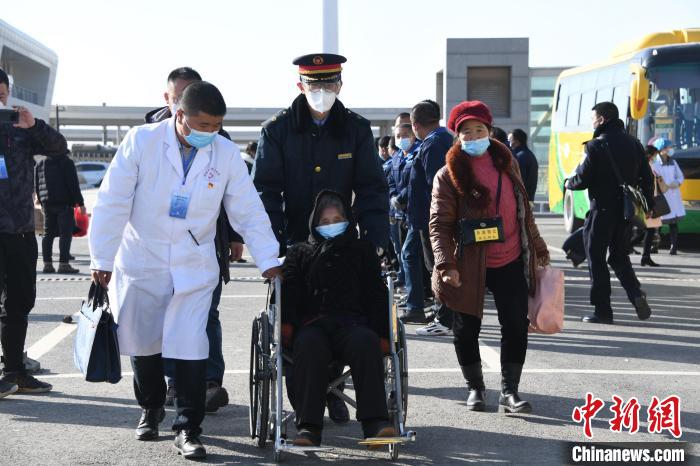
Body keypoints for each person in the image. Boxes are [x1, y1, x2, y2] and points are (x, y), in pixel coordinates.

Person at [90, 81, 281, 459]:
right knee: (145, 344)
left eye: (217, 126)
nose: (211, 133)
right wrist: (102, 257)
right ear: (180, 116)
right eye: (203, 125)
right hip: (143, 258)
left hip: (194, 262)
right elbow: (112, 199)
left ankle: (188, 428)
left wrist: (268, 259)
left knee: (192, 346)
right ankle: (150, 408)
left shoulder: (225, 153)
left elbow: (247, 208)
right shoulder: (141, 141)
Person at [253, 53, 389, 423]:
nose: (322, 91)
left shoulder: (356, 129)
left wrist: (376, 241)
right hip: (295, 246)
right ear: (300, 86)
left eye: (329, 84)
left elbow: (372, 189)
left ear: (340, 85)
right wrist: (271, 248)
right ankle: (306, 400)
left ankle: (331, 390)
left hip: (343, 242)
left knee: (345, 312)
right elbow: (265, 192)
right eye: (315, 85)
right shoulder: (277, 130)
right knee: (296, 321)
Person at [430, 100, 550, 413]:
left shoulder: (507, 163)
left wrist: (538, 248)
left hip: (510, 257)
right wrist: (446, 264)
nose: (473, 136)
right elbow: (439, 225)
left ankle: (510, 392)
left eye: (479, 130)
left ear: (489, 130)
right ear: (457, 136)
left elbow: (524, 213)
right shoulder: (447, 175)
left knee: (516, 324)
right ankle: (475, 388)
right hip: (467, 262)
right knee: (466, 328)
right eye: (466, 132)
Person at [144, 66, 240, 412]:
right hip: (157, 249)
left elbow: (236, 198)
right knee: (164, 315)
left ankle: (208, 382)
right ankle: (171, 384)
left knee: (205, 314)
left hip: (205, 244)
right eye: (177, 96)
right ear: (170, 100)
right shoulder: (146, 138)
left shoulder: (216, 137)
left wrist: (235, 237)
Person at [282, 190, 395, 446]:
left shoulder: (362, 249)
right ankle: (308, 427)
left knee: (367, 342)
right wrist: (286, 324)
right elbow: (288, 291)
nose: (331, 225)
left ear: (347, 220)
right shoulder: (300, 252)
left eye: (337, 220)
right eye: (325, 221)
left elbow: (376, 294)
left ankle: (376, 423)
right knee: (308, 345)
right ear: (314, 223)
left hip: (352, 323)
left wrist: (383, 333)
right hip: (313, 324)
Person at [0, 67, 62, 396]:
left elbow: (59, 148)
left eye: (1, 95)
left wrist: (34, 125)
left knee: (19, 303)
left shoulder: (20, 130)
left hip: (20, 231)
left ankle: (14, 371)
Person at [566, 102, 654, 324]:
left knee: (596, 258)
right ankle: (635, 294)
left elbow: (582, 179)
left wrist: (568, 183)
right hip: (626, 212)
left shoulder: (595, 146)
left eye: (593, 118)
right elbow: (648, 178)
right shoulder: (635, 144)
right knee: (619, 256)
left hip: (601, 211)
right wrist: (649, 205)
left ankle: (603, 310)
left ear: (602, 119)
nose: (592, 122)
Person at [406, 100, 456, 336]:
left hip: (432, 219)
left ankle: (444, 319)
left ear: (415, 125)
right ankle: (444, 314)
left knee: (437, 266)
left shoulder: (433, 144)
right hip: (436, 217)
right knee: (439, 265)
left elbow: (434, 186)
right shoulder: (444, 139)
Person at [391, 122, 424, 318]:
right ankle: (415, 301)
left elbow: (415, 182)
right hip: (403, 213)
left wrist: (401, 198)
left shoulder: (419, 153)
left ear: (413, 135)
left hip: (417, 211)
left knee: (409, 254)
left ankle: (416, 305)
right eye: (398, 136)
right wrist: (393, 198)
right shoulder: (396, 156)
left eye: (405, 135)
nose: (401, 139)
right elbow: (390, 181)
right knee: (407, 254)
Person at [35, 153, 85, 274]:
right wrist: (80, 203)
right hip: (64, 203)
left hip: (47, 203)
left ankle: (47, 265)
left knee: (48, 234)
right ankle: (63, 264)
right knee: (65, 234)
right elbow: (73, 184)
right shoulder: (66, 162)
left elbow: (37, 185)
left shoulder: (40, 164)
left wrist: (41, 202)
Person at [652, 137, 685, 255]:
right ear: (661, 149)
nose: (670, 149)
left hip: (673, 196)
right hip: (661, 196)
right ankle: (655, 246)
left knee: (673, 223)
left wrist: (677, 183)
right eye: (668, 147)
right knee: (658, 223)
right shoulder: (654, 163)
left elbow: (680, 176)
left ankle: (673, 247)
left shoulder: (673, 162)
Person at [641, 144, 662, 267]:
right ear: (649, 155)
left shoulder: (647, 165)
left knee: (648, 230)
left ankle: (645, 257)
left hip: (649, 201)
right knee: (649, 230)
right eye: (654, 155)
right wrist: (650, 205)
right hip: (647, 203)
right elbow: (647, 187)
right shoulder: (644, 166)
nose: (655, 158)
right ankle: (645, 257)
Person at [508, 129, 538, 204]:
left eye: (509, 141)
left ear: (517, 142)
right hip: (528, 197)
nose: (508, 144)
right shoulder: (528, 154)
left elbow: (519, 179)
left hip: (521, 198)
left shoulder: (519, 157)